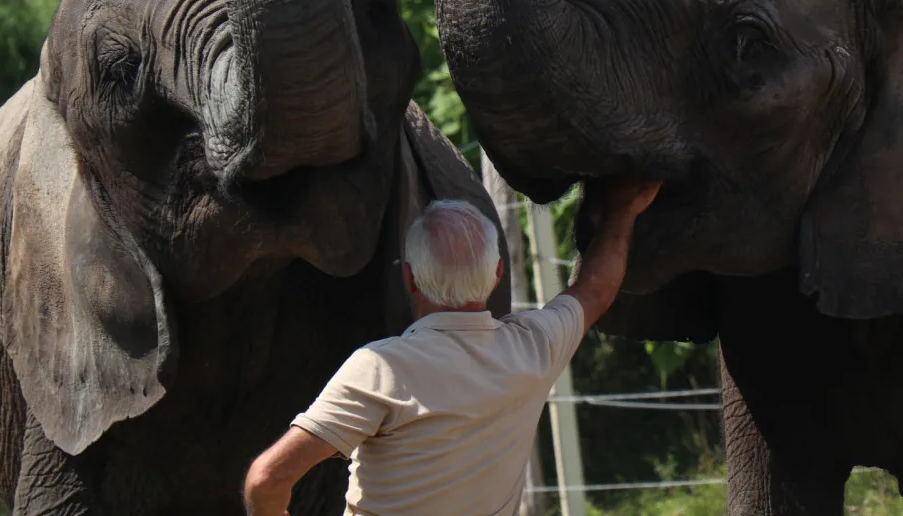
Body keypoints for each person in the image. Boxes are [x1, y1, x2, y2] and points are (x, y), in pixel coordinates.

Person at [242, 176, 662, 516]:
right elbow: (596, 289)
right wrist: (625, 210)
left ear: (410, 278)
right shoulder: (536, 346)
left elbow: (268, 480)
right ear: (498, 274)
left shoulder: (380, 369)